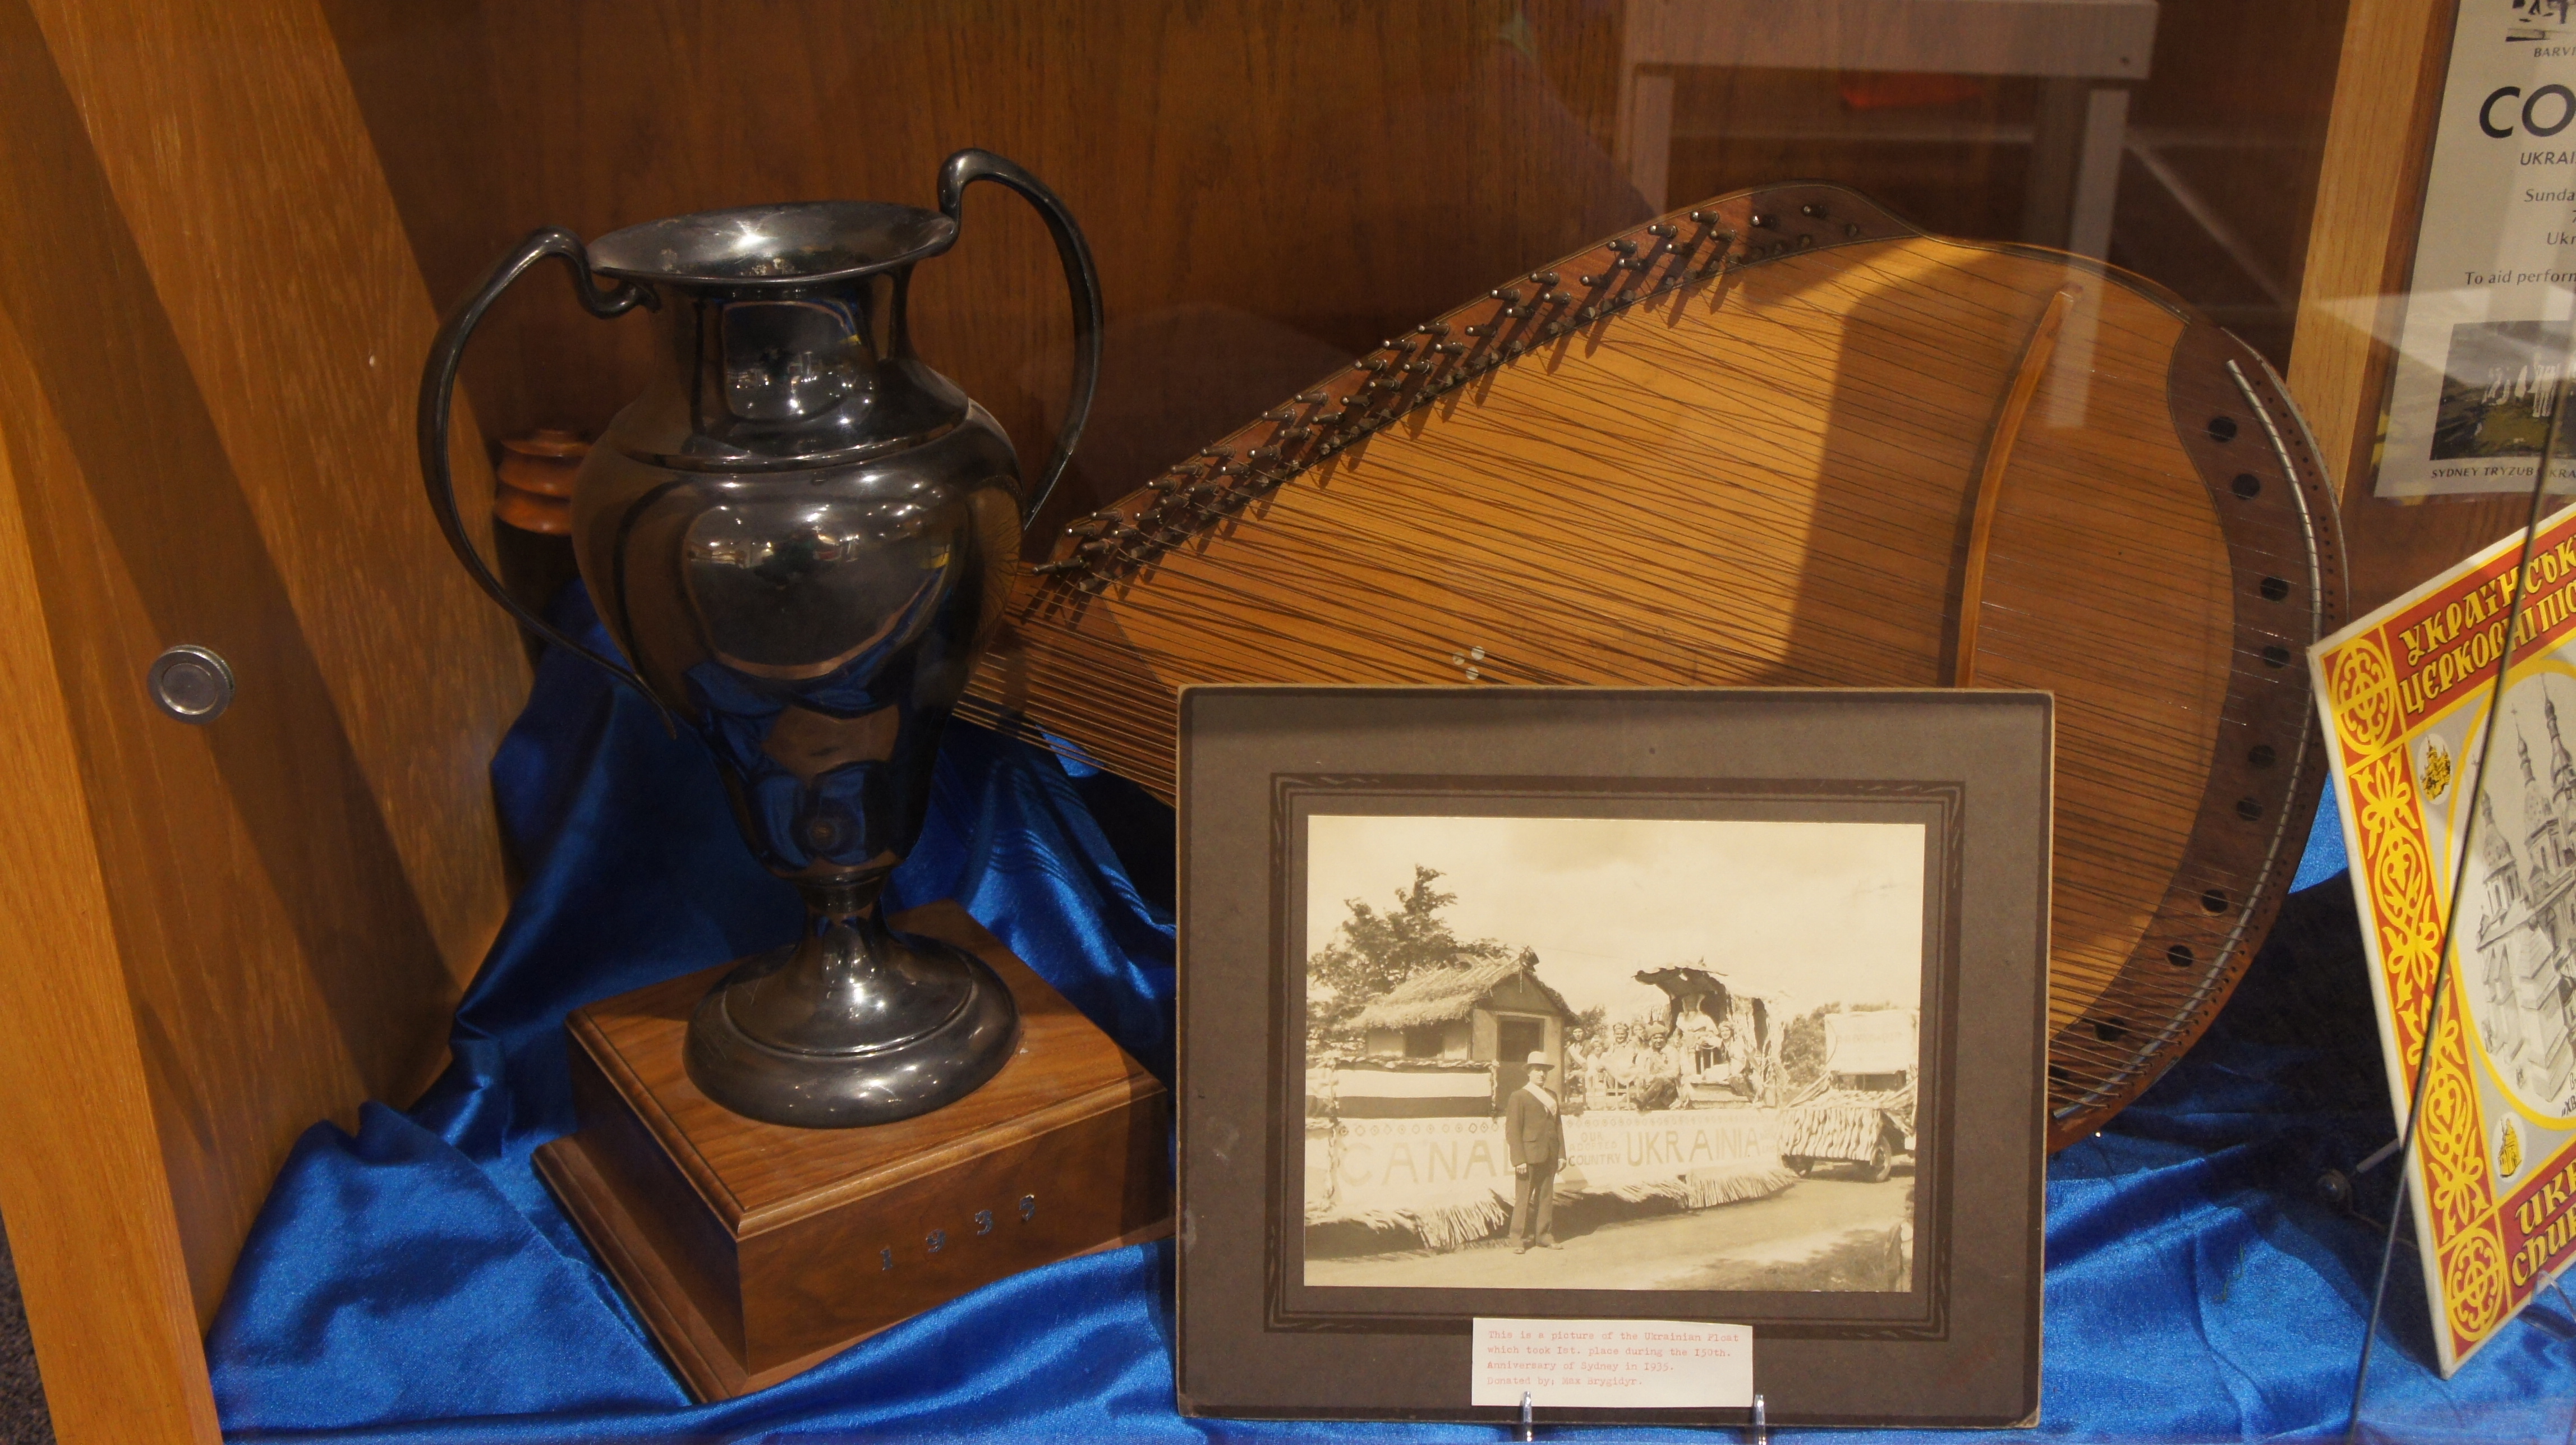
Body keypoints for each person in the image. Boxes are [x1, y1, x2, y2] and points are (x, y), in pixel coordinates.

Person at [1503, 1051, 1566, 1254]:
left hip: (1550, 1153)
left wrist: (1562, 1154)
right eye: (1538, 1070)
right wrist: (1519, 1160)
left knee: (1546, 1197)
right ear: (1529, 1072)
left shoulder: (1552, 1096)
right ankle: (1517, 1238)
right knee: (1523, 1199)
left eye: (1545, 1071)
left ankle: (1543, 1235)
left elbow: (1558, 1127)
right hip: (1528, 1156)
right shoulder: (1519, 1096)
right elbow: (1513, 1130)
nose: (1542, 1074)